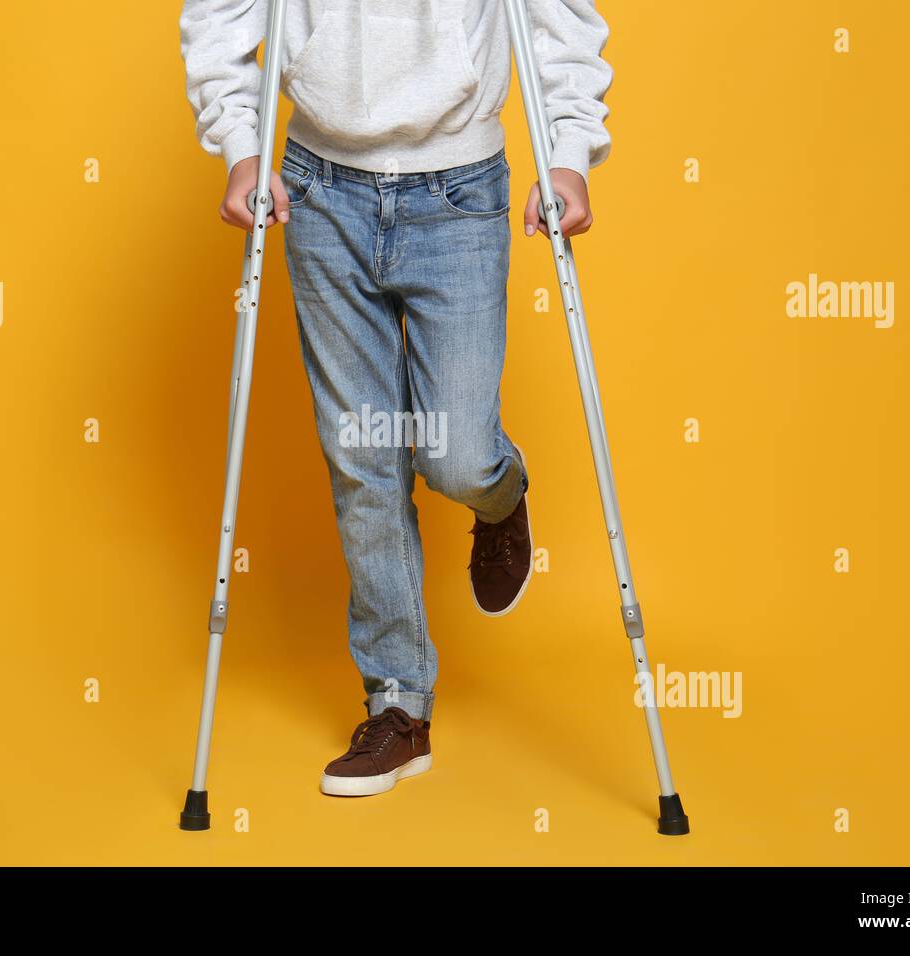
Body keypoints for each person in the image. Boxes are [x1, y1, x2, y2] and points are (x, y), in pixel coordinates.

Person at [180, 0, 612, 796]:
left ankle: (500, 494)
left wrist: (570, 153)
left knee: (456, 457)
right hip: (320, 190)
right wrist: (242, 148)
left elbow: (561, 19)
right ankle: (398, 706)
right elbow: (218, 13)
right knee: (362, 459)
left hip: (459, 192)